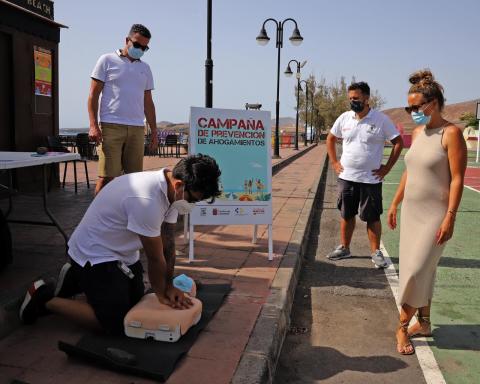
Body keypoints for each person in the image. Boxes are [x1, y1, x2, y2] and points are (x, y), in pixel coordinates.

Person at [19, 154, 221, 335]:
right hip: (95, 253)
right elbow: (155, 256)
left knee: (135, 304)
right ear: (179, 185)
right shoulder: (146, 199)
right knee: (117, 323)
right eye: (193, 200)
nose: (192, 205)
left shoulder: (171, 190)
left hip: (120, 254)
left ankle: (75, 278)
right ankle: (44, 298)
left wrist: (168, 285)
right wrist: (162, 293)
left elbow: (167, 243)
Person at [387, 70, 467, 355]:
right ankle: (424, 322)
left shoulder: (452, 133)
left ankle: (401, 326)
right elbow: (410, 171)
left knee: (417, 270)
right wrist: (396, 203)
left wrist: (451, 215)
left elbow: (457, 178)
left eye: (415, 107)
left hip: (436, 214)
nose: (411, 113)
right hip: (411, 211)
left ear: (432, 104)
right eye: (408, 107)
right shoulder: (418, 132)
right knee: (421, 270)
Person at [326, 82, 404, 268]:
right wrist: (335, 162)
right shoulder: (344, 118)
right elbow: (330, 138)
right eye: (351, 99)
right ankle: (344, 248)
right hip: (347, 177)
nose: (353, 102)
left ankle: (375, 252)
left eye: (356, 99)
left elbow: (398, 143)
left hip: (371, 179)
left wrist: (387, 168)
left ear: (367, 98)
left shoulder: (381, 119)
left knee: (372, 217)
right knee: (346, 214)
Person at [88, 24, 158, 195]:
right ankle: (96, 220)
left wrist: (154, 131)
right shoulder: (106, 60)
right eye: (137, 45)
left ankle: (124, 217)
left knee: (134, 180)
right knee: (106, 178)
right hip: (110, 126)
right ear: (127, 40)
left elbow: (148, 102)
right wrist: (93, 125)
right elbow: (93, 95)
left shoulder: (145, 68)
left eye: (144, 47)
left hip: (137, 129)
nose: (140, 49)